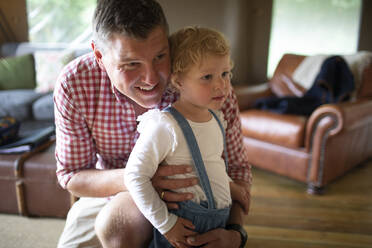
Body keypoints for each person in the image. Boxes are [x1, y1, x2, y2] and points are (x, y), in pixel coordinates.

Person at [54, 0, 251, 247]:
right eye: (131, 64)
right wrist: (140, 179)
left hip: (198, 200)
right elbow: (72, 175)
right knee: (117, 223)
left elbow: (237, 170)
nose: (150, 79)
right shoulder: (75, 84)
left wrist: (236, 233)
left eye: (160, 56)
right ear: (99, 56)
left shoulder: (208, 86)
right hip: (111, 192)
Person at [124, 26, 246, 248]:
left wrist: (232, 187)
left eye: (225, 73)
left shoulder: (217, 118)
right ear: (178, 81)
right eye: (207, 77)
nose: (221, 84)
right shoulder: (165, 126)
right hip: (184, 227)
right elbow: (134, 176)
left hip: (220, 221)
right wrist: (166, 224)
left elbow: (211, 165)